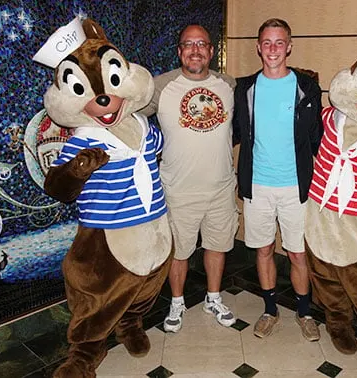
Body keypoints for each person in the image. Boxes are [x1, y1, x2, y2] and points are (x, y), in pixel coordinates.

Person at [141, 24, 239, 333]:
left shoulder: (228, 84)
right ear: (180, 51)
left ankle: (213, 297)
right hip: (179, 189)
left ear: (211, 51)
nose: (195, 50)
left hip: (222, 187)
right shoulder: (161, 86)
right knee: (179, 251)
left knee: (217, 245)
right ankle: (177, 303)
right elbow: (128, 114)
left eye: (201, 44)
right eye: (188, 44)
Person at [233, 18, 323, 341]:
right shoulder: (244, 89)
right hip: (258, 186)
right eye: (267, 43)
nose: (273, 49)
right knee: (264, 249)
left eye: (279, 42)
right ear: (259, 47)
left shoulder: (307, 88)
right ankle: (270, 310)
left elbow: (317, 139)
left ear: (289, 46)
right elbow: (234, 134)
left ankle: (305, 312)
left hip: (295, 187)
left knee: (298, 253)